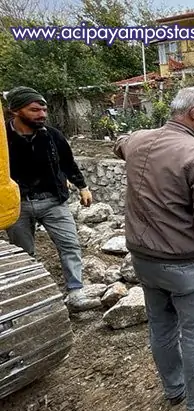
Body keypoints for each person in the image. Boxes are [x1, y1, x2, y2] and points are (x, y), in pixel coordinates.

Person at [113, 87, 194, 411]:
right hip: (186, 265)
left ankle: (174, 388)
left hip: (144, 259)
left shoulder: (138, 140)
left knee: (161, 325)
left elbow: (120, 143)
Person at [3, 86, 98, 311]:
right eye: (35, 110)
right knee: (25, 253)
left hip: (53, 201)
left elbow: (67, 162)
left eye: (44, 110)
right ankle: (37, 299)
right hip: (19, 205)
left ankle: (76, 292)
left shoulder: (52, 135)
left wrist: (82, 186)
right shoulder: (2, 140)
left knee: (70, 245)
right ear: (15, 111)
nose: (42, 115)